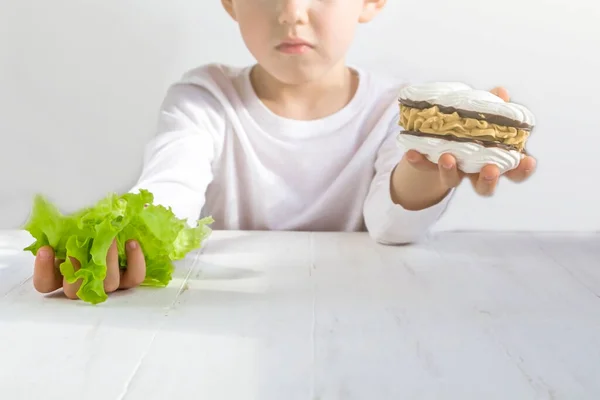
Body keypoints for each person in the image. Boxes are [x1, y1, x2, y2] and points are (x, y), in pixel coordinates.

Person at [32, 0, 537, 300]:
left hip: (361, 314)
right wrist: (119, 243)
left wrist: (430, 168)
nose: (292, 12)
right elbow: (170, 188)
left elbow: (389, 222)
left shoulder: (396, 110)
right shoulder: (205, 99)